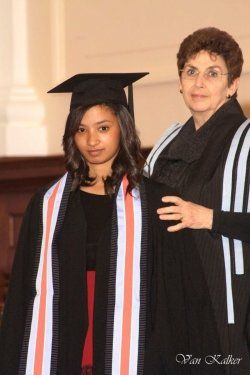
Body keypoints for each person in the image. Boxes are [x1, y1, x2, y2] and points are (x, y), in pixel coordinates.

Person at [0, 73, 224, 375]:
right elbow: (21, 300)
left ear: (123, 127)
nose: (92, 140)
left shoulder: (158, 203)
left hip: (140, 357)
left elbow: (184, 300)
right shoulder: (46, 205)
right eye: (81, 130)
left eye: (103, 128)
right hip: (63, 356)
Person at [145, 27, 250, 375]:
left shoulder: (246, 141)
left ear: (232, 84)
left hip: (226, 302)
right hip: (171, 300)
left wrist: (209, 218)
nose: (199, 83)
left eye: (213, 73)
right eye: (191, 71)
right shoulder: (167, 144)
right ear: (180, 80)